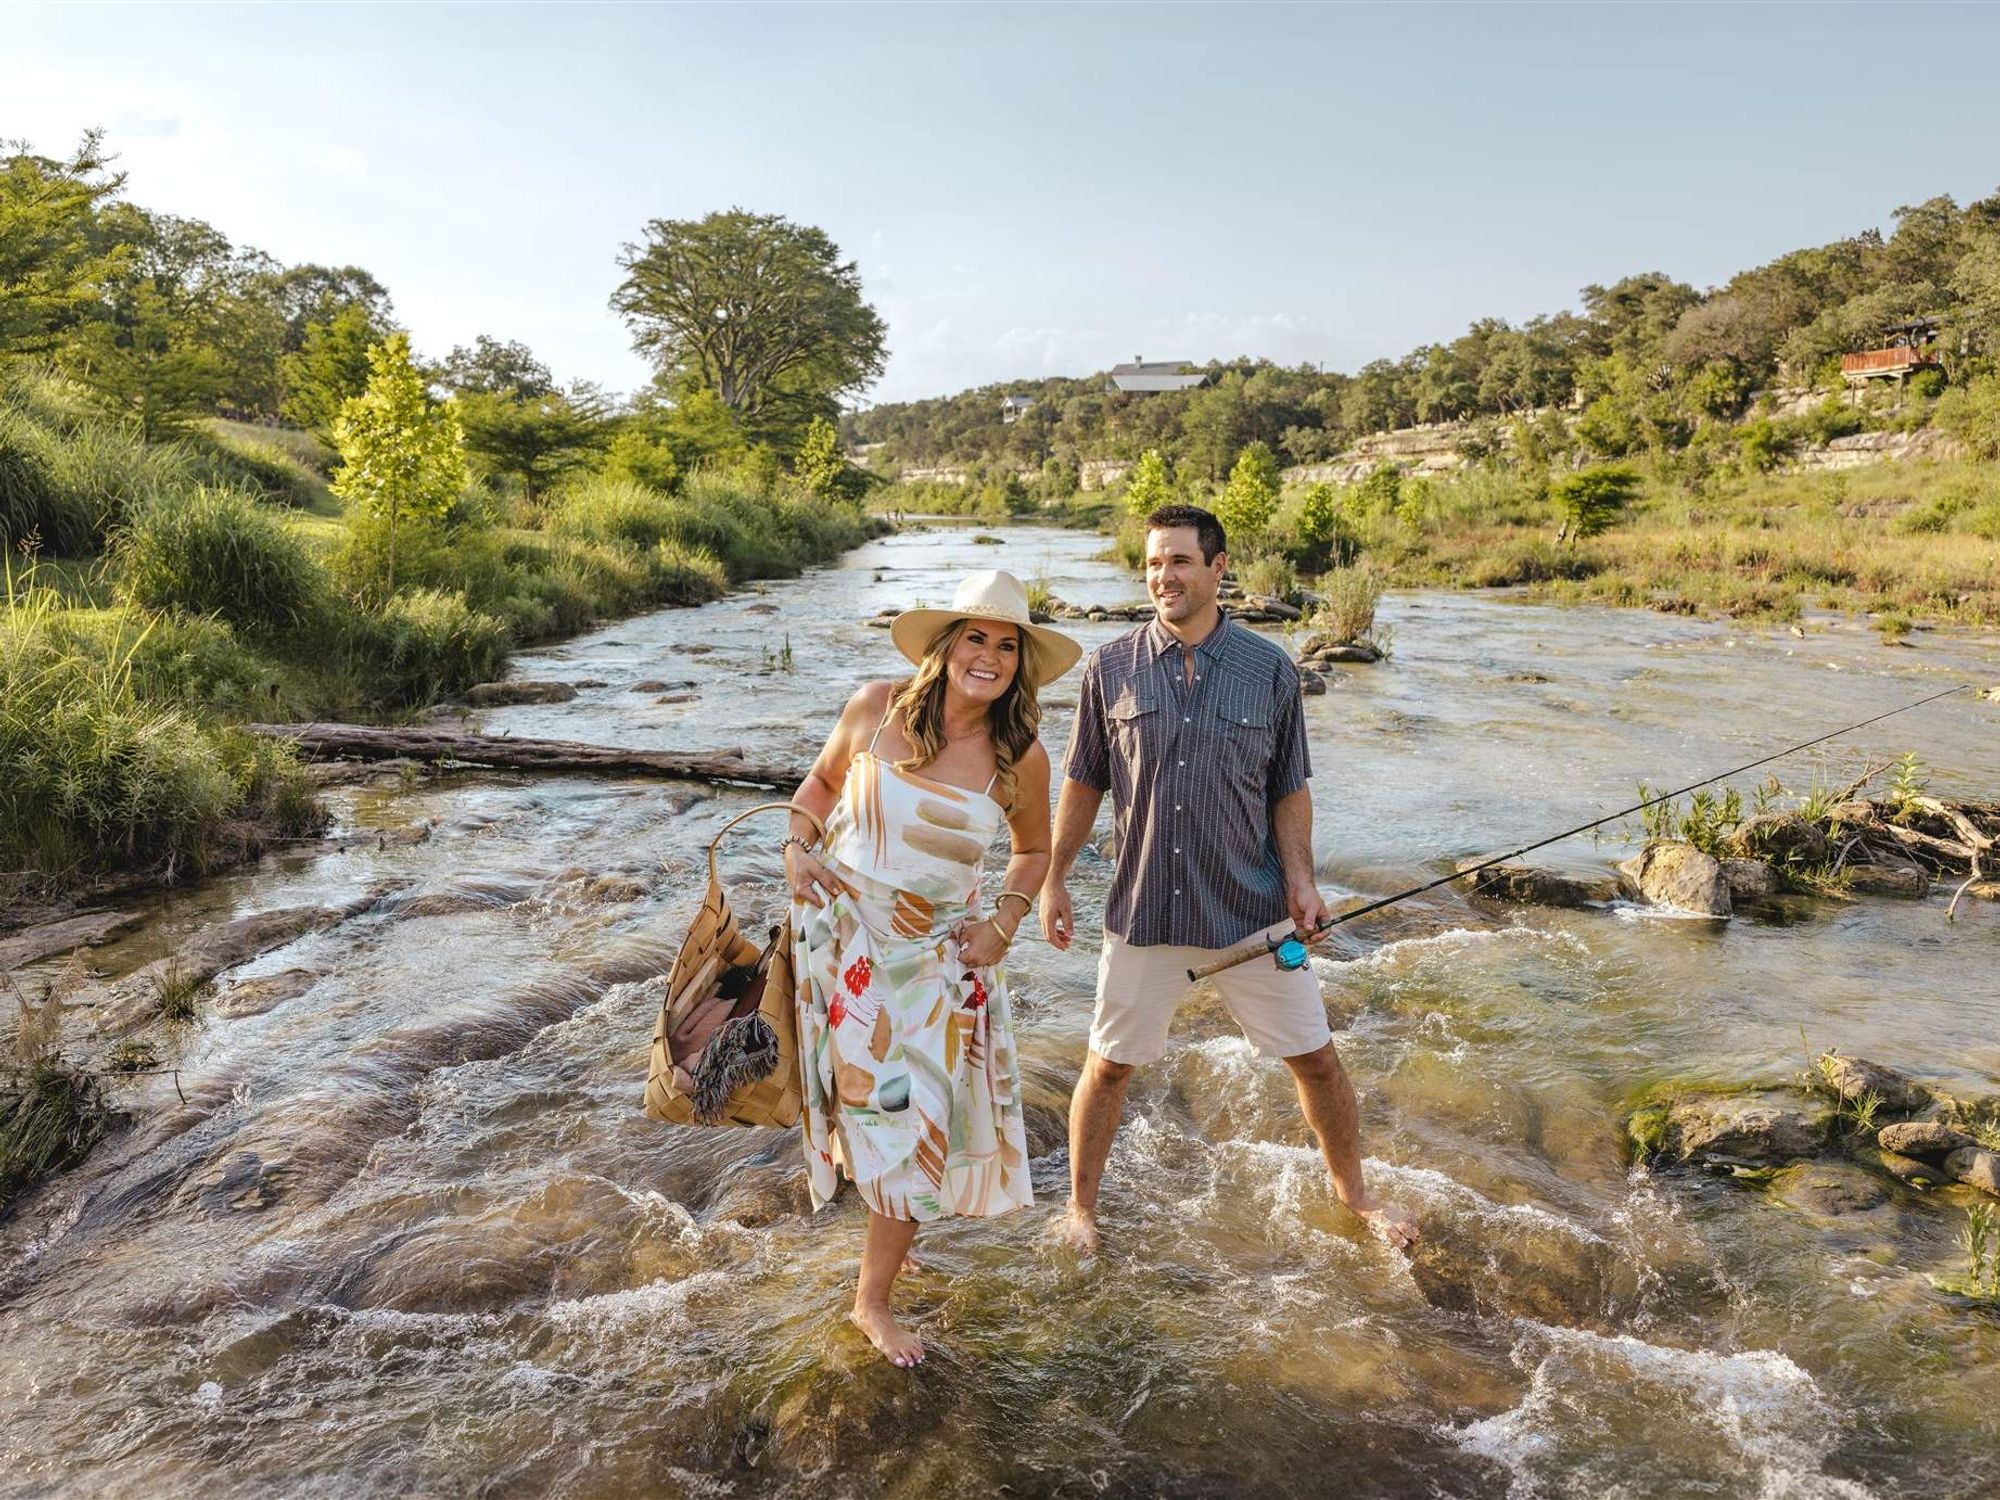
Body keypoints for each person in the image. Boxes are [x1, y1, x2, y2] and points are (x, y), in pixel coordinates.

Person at [1039, 504, 1419, 1254]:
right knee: (1107, 1069)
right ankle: (1082, 1210)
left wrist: (1302, 883)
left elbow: (1290, 787)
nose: (1163, 577)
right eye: (1152, 563)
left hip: (1252, 908)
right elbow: (1083, 782)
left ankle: (1357, 1196)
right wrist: (1052, 879)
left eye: (1179, 561)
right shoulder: (1109, 665)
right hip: (1144, 910)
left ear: (1218, 569)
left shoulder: (1270, 669)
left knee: (1316, 1059)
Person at [782, 569, 1082, 1366]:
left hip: (935, 965)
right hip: (840, 945)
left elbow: (1034, 851)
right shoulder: (875, 707)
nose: (988, 656)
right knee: (855, 1105)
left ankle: (869, 1302)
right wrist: (796, 845)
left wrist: (1006, 923)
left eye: (1006, 645)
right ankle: (892, 1229)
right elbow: (818, 785)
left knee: (916, 1128)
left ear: (1020, 662)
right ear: (947, 646)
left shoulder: (1019, 755)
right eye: (975, 638)